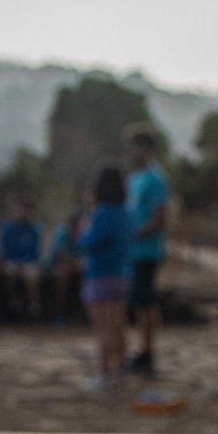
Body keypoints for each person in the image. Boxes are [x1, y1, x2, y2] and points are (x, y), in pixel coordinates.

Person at [79, 163, 133, 391]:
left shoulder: (101, 213)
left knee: (103, 330)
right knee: (118, 328)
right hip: (121, 275)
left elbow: (89, 243)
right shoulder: (127, 213)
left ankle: (104, 372)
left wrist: (83, 230)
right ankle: (119, 371)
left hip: (100, 275)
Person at [125, 123, 170, 375]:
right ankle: (141, 350)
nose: (132, 153)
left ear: (146, 149)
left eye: (135, 148)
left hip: (147, 251)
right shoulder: (133, 178)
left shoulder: (156, 178)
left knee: (146, 302)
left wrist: (135, 234)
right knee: (139, 303)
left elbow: (160, 217)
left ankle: (148, 352)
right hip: (132, 252)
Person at [0, 194, 43, 318]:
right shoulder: (8, 227)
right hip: (12, 261)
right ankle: (12, 303)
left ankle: (34, 305)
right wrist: (16, 262)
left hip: (29, 262)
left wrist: (24, 263)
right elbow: (4, 249)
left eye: (26, 210)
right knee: (9, 270)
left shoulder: (35, 228)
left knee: (31, 274)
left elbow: (35, 252)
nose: (23, 212)